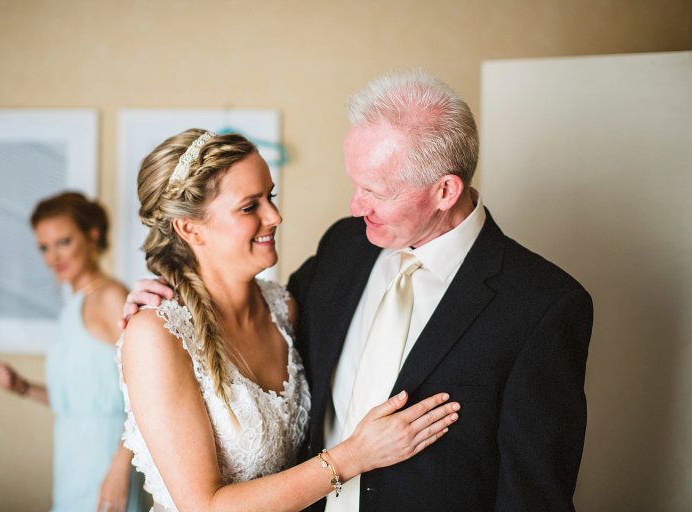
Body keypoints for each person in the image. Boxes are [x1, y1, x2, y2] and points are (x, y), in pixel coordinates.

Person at [125, 70, 594, 511]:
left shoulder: (542, 306)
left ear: (445, 191)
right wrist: (169, 302)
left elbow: (534, 497)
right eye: (356, 183)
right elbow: (204, 346)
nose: (355, 205)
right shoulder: (346, 246)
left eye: (376, 190)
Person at [117, 129, 461, 512]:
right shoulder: (157, 334)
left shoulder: (286, 309)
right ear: (190, 228)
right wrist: (354, 456)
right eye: (250, 206)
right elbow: (204, 507)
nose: (275, 216)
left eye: (271, 197)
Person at [0, 192, 145, 512]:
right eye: (44, 247)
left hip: (108, 459)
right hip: (73, 461)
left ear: (92, 235)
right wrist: (22, 387)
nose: (52, 257)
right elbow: (78, 401)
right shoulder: (71, 306)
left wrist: (119, 470)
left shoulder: (111, 298)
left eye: (63, 242)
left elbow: (148, 394)